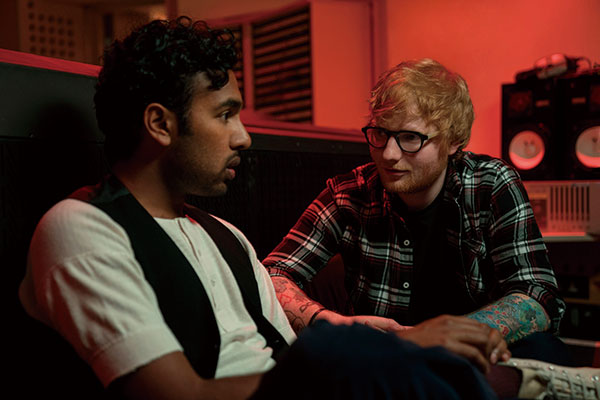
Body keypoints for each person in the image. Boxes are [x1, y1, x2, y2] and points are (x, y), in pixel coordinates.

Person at [17, 18, 505, 400]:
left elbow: (285, 354)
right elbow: (179, 395)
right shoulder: (83, 228)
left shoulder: (223, 234)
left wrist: (367, 339)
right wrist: (380, 350)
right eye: (226, 114)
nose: (243, 137)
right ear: (160, 124)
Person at [263, 58, 568, 362]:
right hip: (385, 361)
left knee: (544, 350)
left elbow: (536, 296)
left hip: (471, 359)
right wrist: (330, 324)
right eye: (380, 133)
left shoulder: (490, 184)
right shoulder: (349, 194)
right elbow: (270, 275)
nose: (389, 154)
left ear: (453, 141)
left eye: (410, 138)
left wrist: (447, 337)